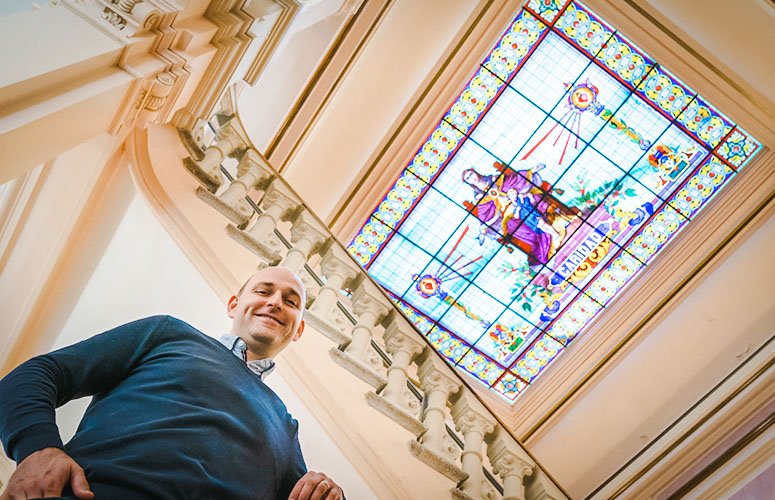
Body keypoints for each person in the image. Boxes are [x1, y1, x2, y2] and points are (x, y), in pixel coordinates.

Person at [0, 266, 344, 500]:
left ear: (297, 329)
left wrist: (330, 493)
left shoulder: (285, 427)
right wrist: (38, 448)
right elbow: (38, 374)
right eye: (264, 291)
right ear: (234, 305)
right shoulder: (169, 333)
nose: (275, 302)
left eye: (291, 301)